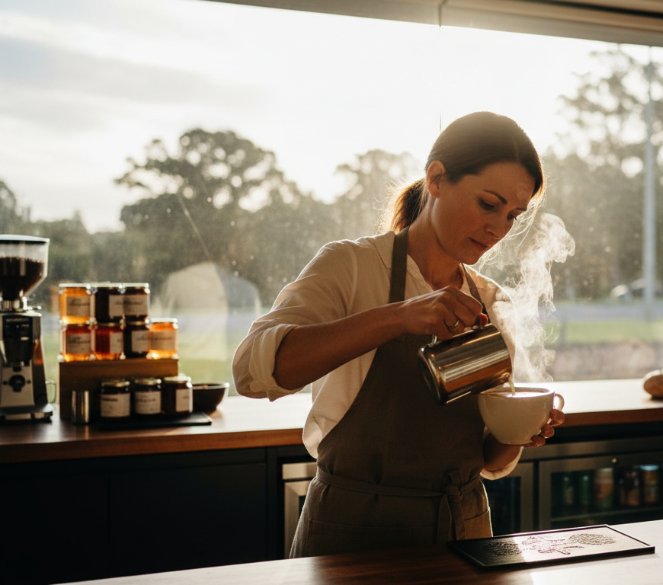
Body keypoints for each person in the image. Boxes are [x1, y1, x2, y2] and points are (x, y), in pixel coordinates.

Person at [232, 111, 565, 558]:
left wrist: (521, 430)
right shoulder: (350, 266)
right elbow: (252, 372)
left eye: (512, 215)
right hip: (352, 534)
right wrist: (398, 317)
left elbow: (488, 460)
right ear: (437, 179)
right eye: (488, 204)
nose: (498, 230)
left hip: (463, 533)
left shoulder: (489, 301)